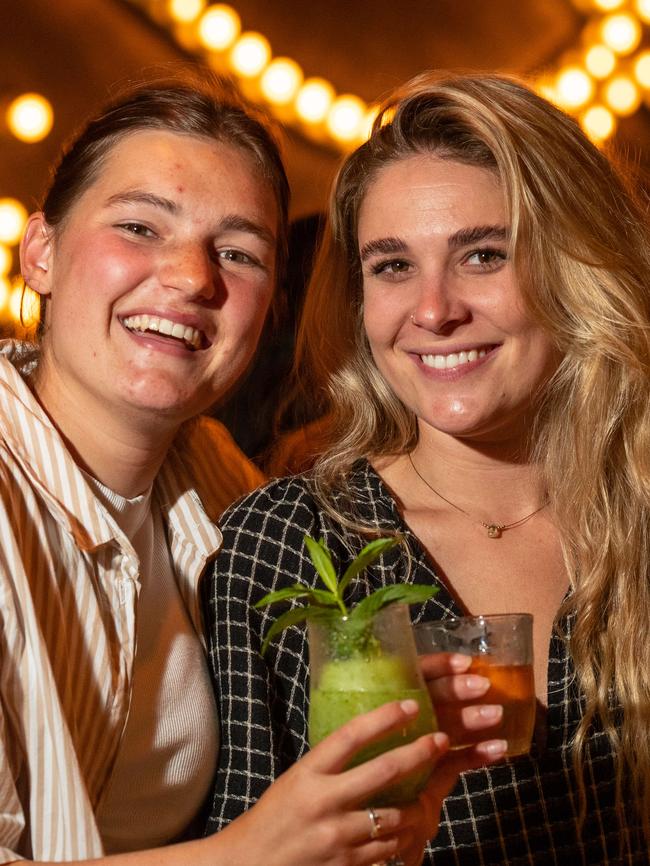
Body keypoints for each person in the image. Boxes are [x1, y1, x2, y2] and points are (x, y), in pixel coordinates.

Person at [0, 73, 494, 866]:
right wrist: (255, 854)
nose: (194, 278)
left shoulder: (223, 486)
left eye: (237, 252)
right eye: (139, 226)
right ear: (41, 253)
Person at [206, 71, 650, 864]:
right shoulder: (290, 543)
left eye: (483, 254)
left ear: (576, 266)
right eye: (393, 266)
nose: (435, 310)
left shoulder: (639, 508)